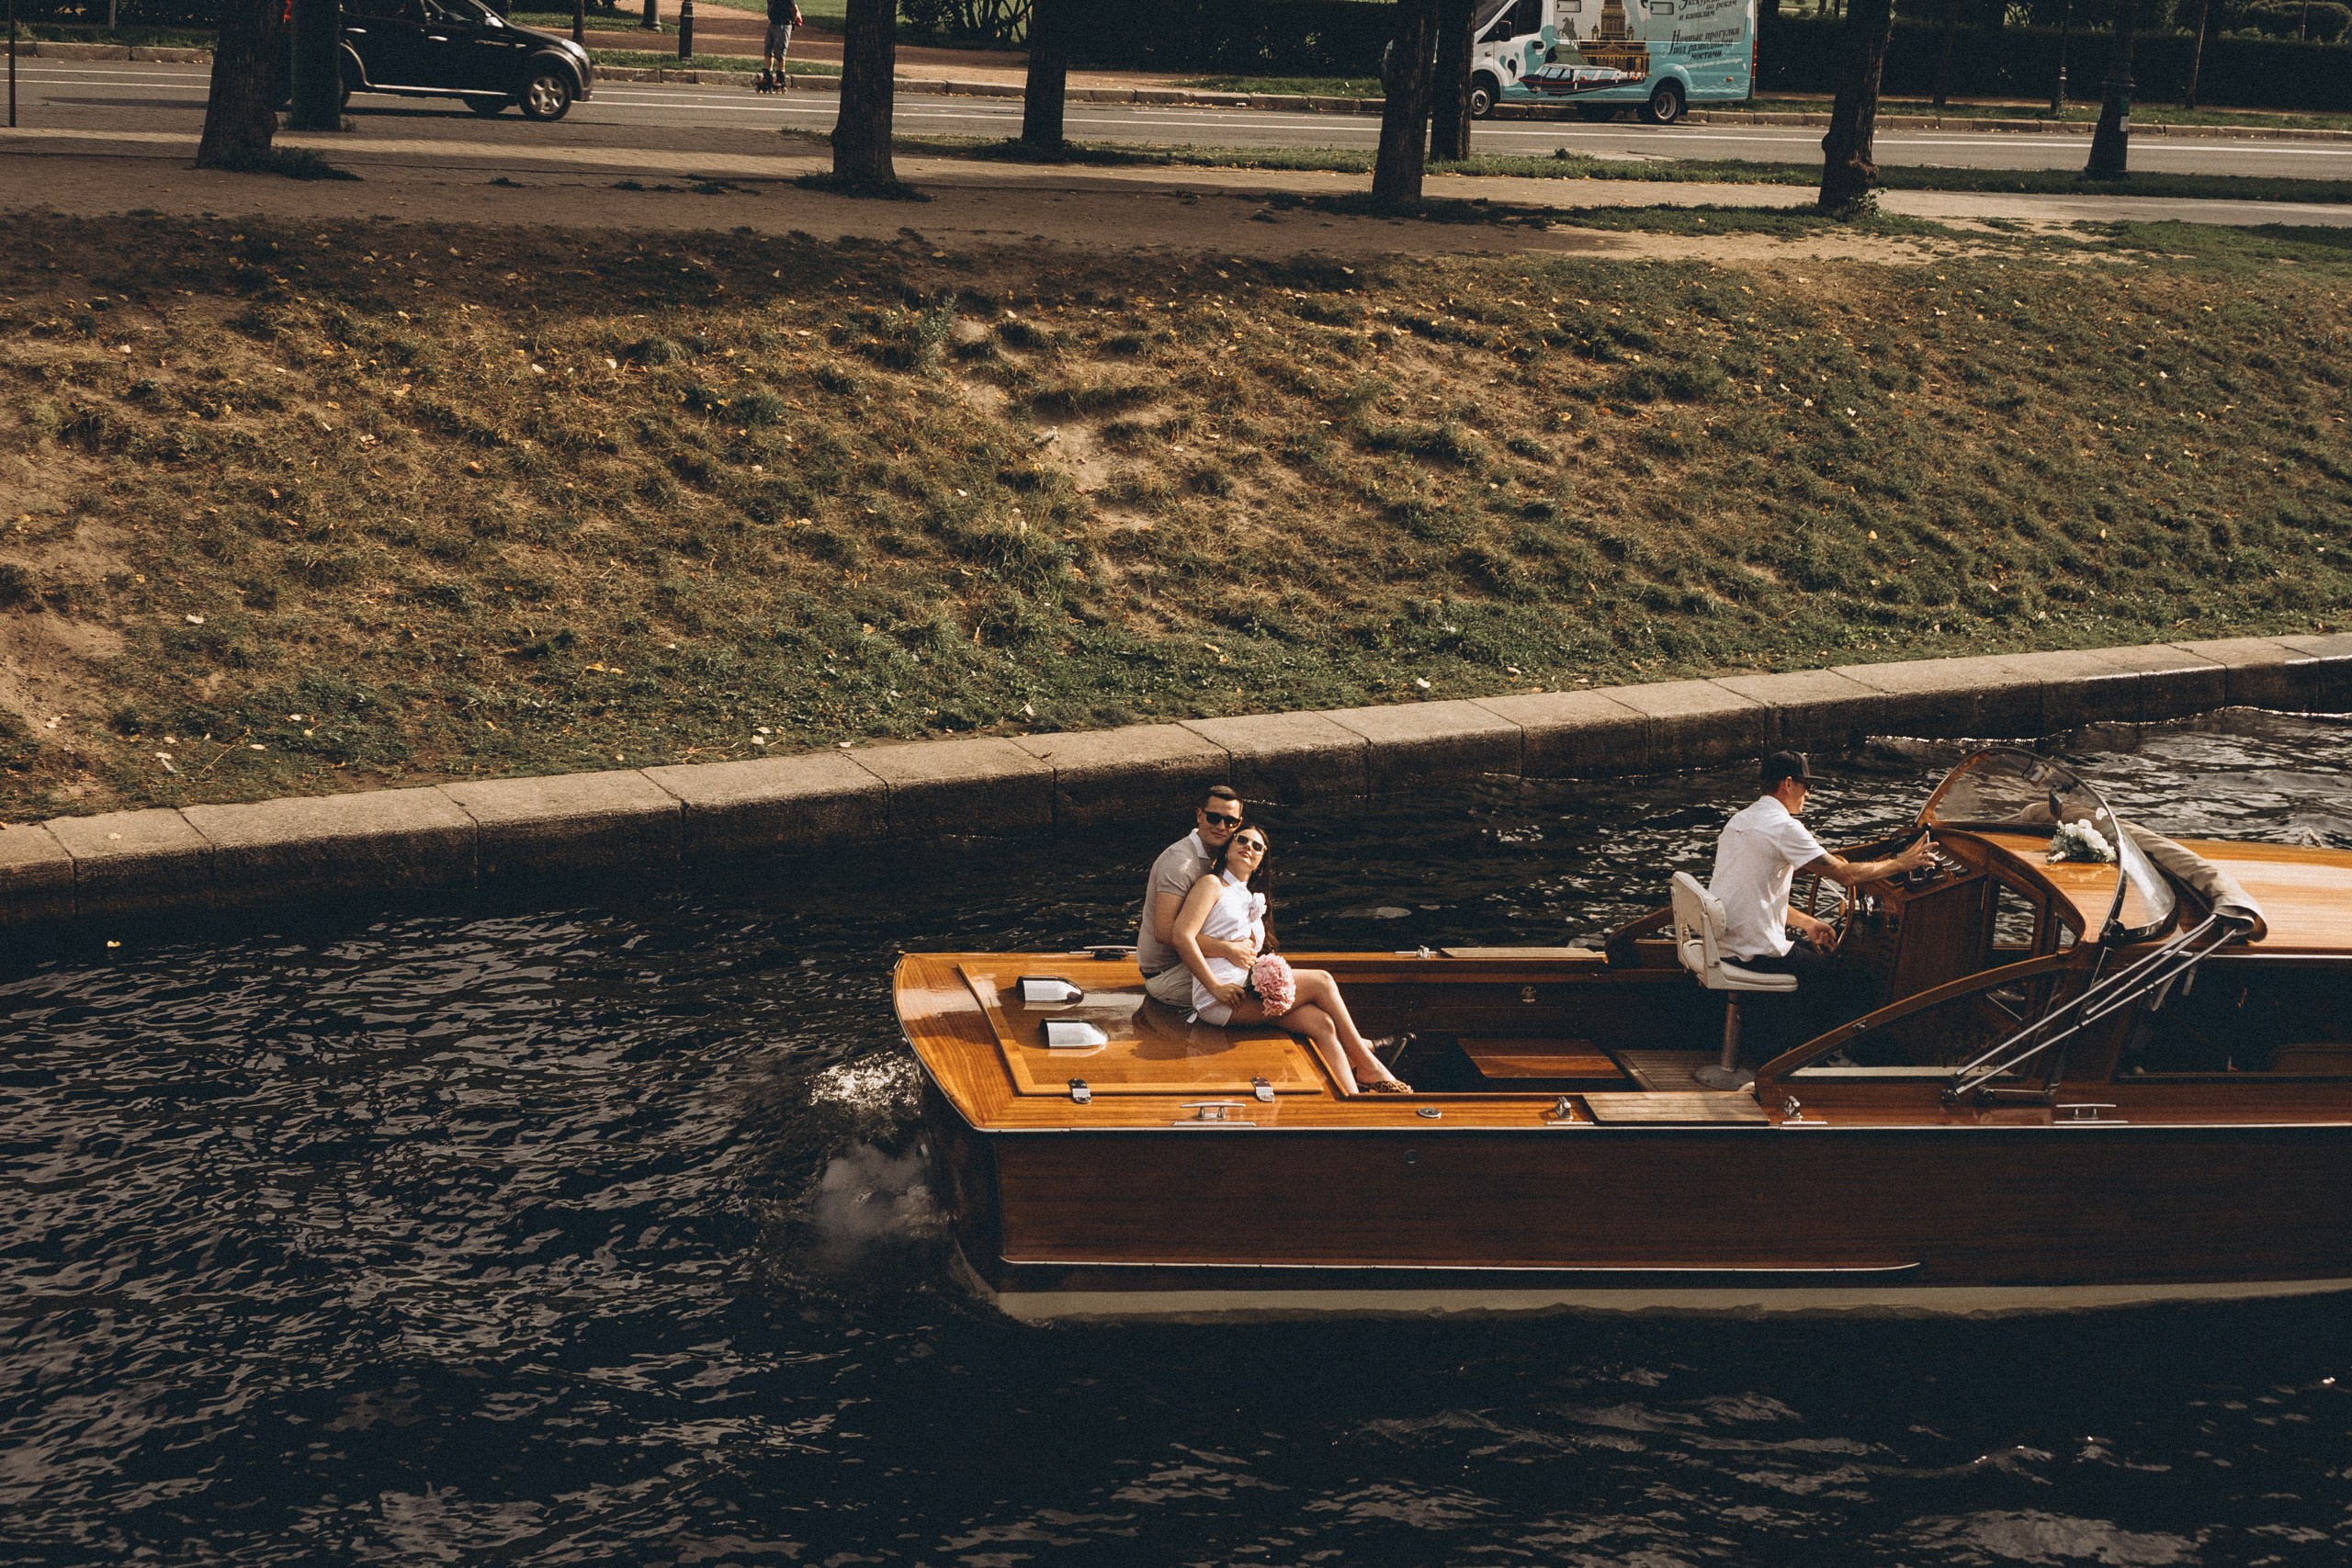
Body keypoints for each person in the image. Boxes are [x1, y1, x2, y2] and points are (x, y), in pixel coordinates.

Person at [1709, 750, 1937, 1044]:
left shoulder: (1740, 821)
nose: (1809, 794)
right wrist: (1901, 864)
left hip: (1726, 943)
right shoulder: (1784, 827)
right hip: (1753, 952)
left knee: (1813, 954)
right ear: (1788, 784)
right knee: (1845, 979)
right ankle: (1821, 1059)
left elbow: (1753, 896)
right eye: (1807, 785)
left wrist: (1807, 923)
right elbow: (1846, 875)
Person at [1171, 824, 1411, 1096]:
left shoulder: (1250, 897)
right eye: (1242, 840)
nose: (1248, 847)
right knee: (1322, 980)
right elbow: (1181, 936)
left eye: (1257, 846)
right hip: (1223, 995)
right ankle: (1368, 1062)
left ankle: (1351, 1098)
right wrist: (1214, 986)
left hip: (1244, 989)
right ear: (1227, 849)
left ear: (1261, 863)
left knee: (1322, 1024)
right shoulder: (1212, 884)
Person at [1135, 785, 1249, 1008]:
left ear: (1239, 824)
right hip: (1167, 975)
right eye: (1213, 818)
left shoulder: (1221, 859)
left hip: (1193, 963)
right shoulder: (1180, 863)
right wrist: (1229, 950)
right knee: (1264, 993)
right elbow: (1165, 932)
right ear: (1199, 815)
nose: (1221, 827)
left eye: (1230, 821)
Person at [762, 0, 804, 90]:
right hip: (773, 23)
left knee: (780, 51)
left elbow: (795, 9)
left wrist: (792, 20)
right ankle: (767, 76)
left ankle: (780, 78)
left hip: (783, 24)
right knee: (768, 48)